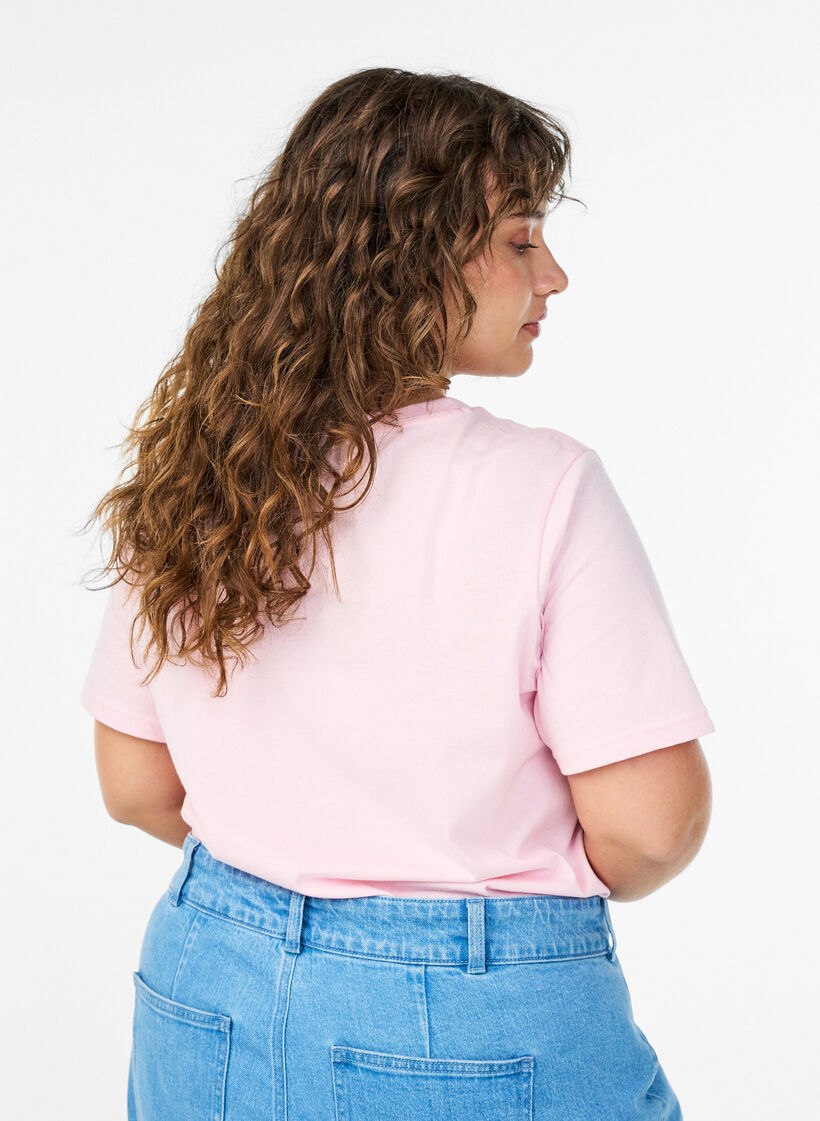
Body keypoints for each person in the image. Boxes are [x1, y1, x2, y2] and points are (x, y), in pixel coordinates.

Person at [78, 67, 715, 1121]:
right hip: (464, 1019)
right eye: (519, 239)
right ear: (408, 256)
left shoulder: (204, 465)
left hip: (205, 986)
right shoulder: (541, 484)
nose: (551, 275)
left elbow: (135, 781)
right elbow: (649, 829)